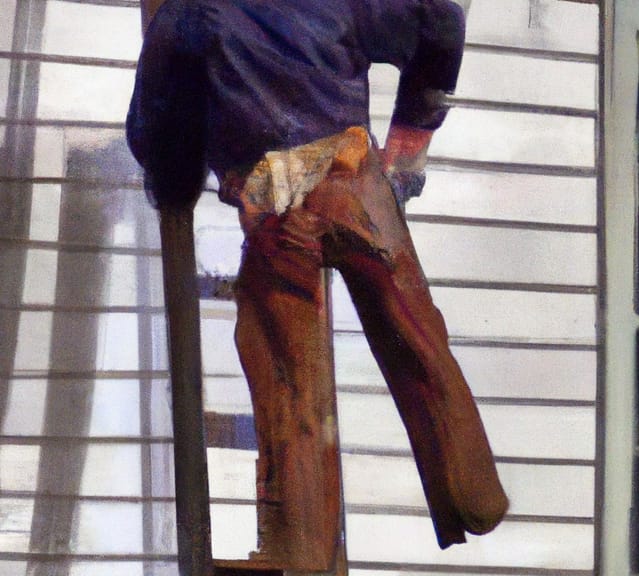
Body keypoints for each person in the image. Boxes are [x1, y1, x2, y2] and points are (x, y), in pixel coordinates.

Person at [126, 0, 509, 571]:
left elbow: (154, 130)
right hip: (354, 179)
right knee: (420, 342)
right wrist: (408, 140)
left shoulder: (188, 13)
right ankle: (477, 498)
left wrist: (181, 184)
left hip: (277, 197)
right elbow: (441, 21)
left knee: (293, 396)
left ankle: (304, 558)